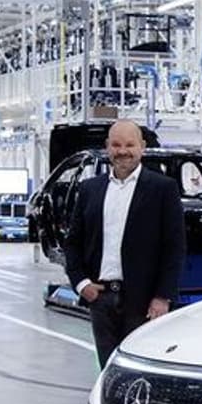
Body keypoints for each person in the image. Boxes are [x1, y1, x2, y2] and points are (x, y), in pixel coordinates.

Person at [64, 119, 185, 368]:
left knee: (141, 369)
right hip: (100, 298)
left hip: (143, 302)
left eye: (130, 145)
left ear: (142, 147)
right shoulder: (89, 190)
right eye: (116, 145)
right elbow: (73, 242)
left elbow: (174, 247)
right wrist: (81, 284)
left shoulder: (163, 189)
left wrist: (162, 297)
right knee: (107, 368)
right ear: (107, 147)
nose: (123, 151)